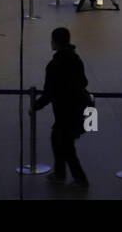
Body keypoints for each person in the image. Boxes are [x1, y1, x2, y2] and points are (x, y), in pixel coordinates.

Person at [33, 27, 91, 188]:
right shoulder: (75, 58)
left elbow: (49, 92)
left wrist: (36, 106)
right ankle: (60, 173)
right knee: (60, 140)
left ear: (55, 42)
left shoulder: (54, 65)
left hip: (65, 111)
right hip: (77, 107)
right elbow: (84, 82)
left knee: (64, 144)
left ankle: (79, 179)